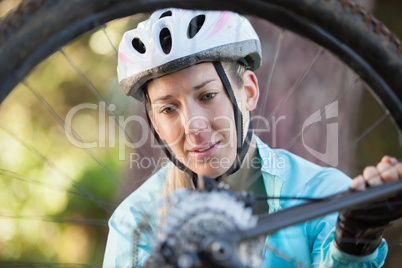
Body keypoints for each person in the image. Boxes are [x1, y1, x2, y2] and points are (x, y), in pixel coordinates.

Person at [103, 8, 402, 267]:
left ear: (248, 91)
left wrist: (353, 240)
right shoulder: (135, 220)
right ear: (154, 122)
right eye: (168, 109)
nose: (193, 126)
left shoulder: (325, 193)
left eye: (207, 96)